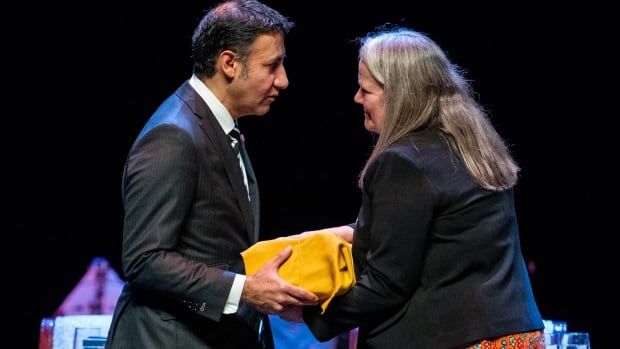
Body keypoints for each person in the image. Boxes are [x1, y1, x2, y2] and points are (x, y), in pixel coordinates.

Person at [281, 26, 544, 348]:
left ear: (399, 94)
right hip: (516, 335)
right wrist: (342, 233)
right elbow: (437, 230)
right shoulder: (474, 145)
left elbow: (387, 283)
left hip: (454, 339)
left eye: (366, 90)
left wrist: (308, 314)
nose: (357, 98)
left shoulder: (403, 161)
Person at [104, 1, 318, 348]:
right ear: (229, 63)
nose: (283, 80)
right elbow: (145, 260)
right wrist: (245, 290)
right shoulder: (175, 135)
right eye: (272, 66)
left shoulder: (216, 126)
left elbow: (220, 244)